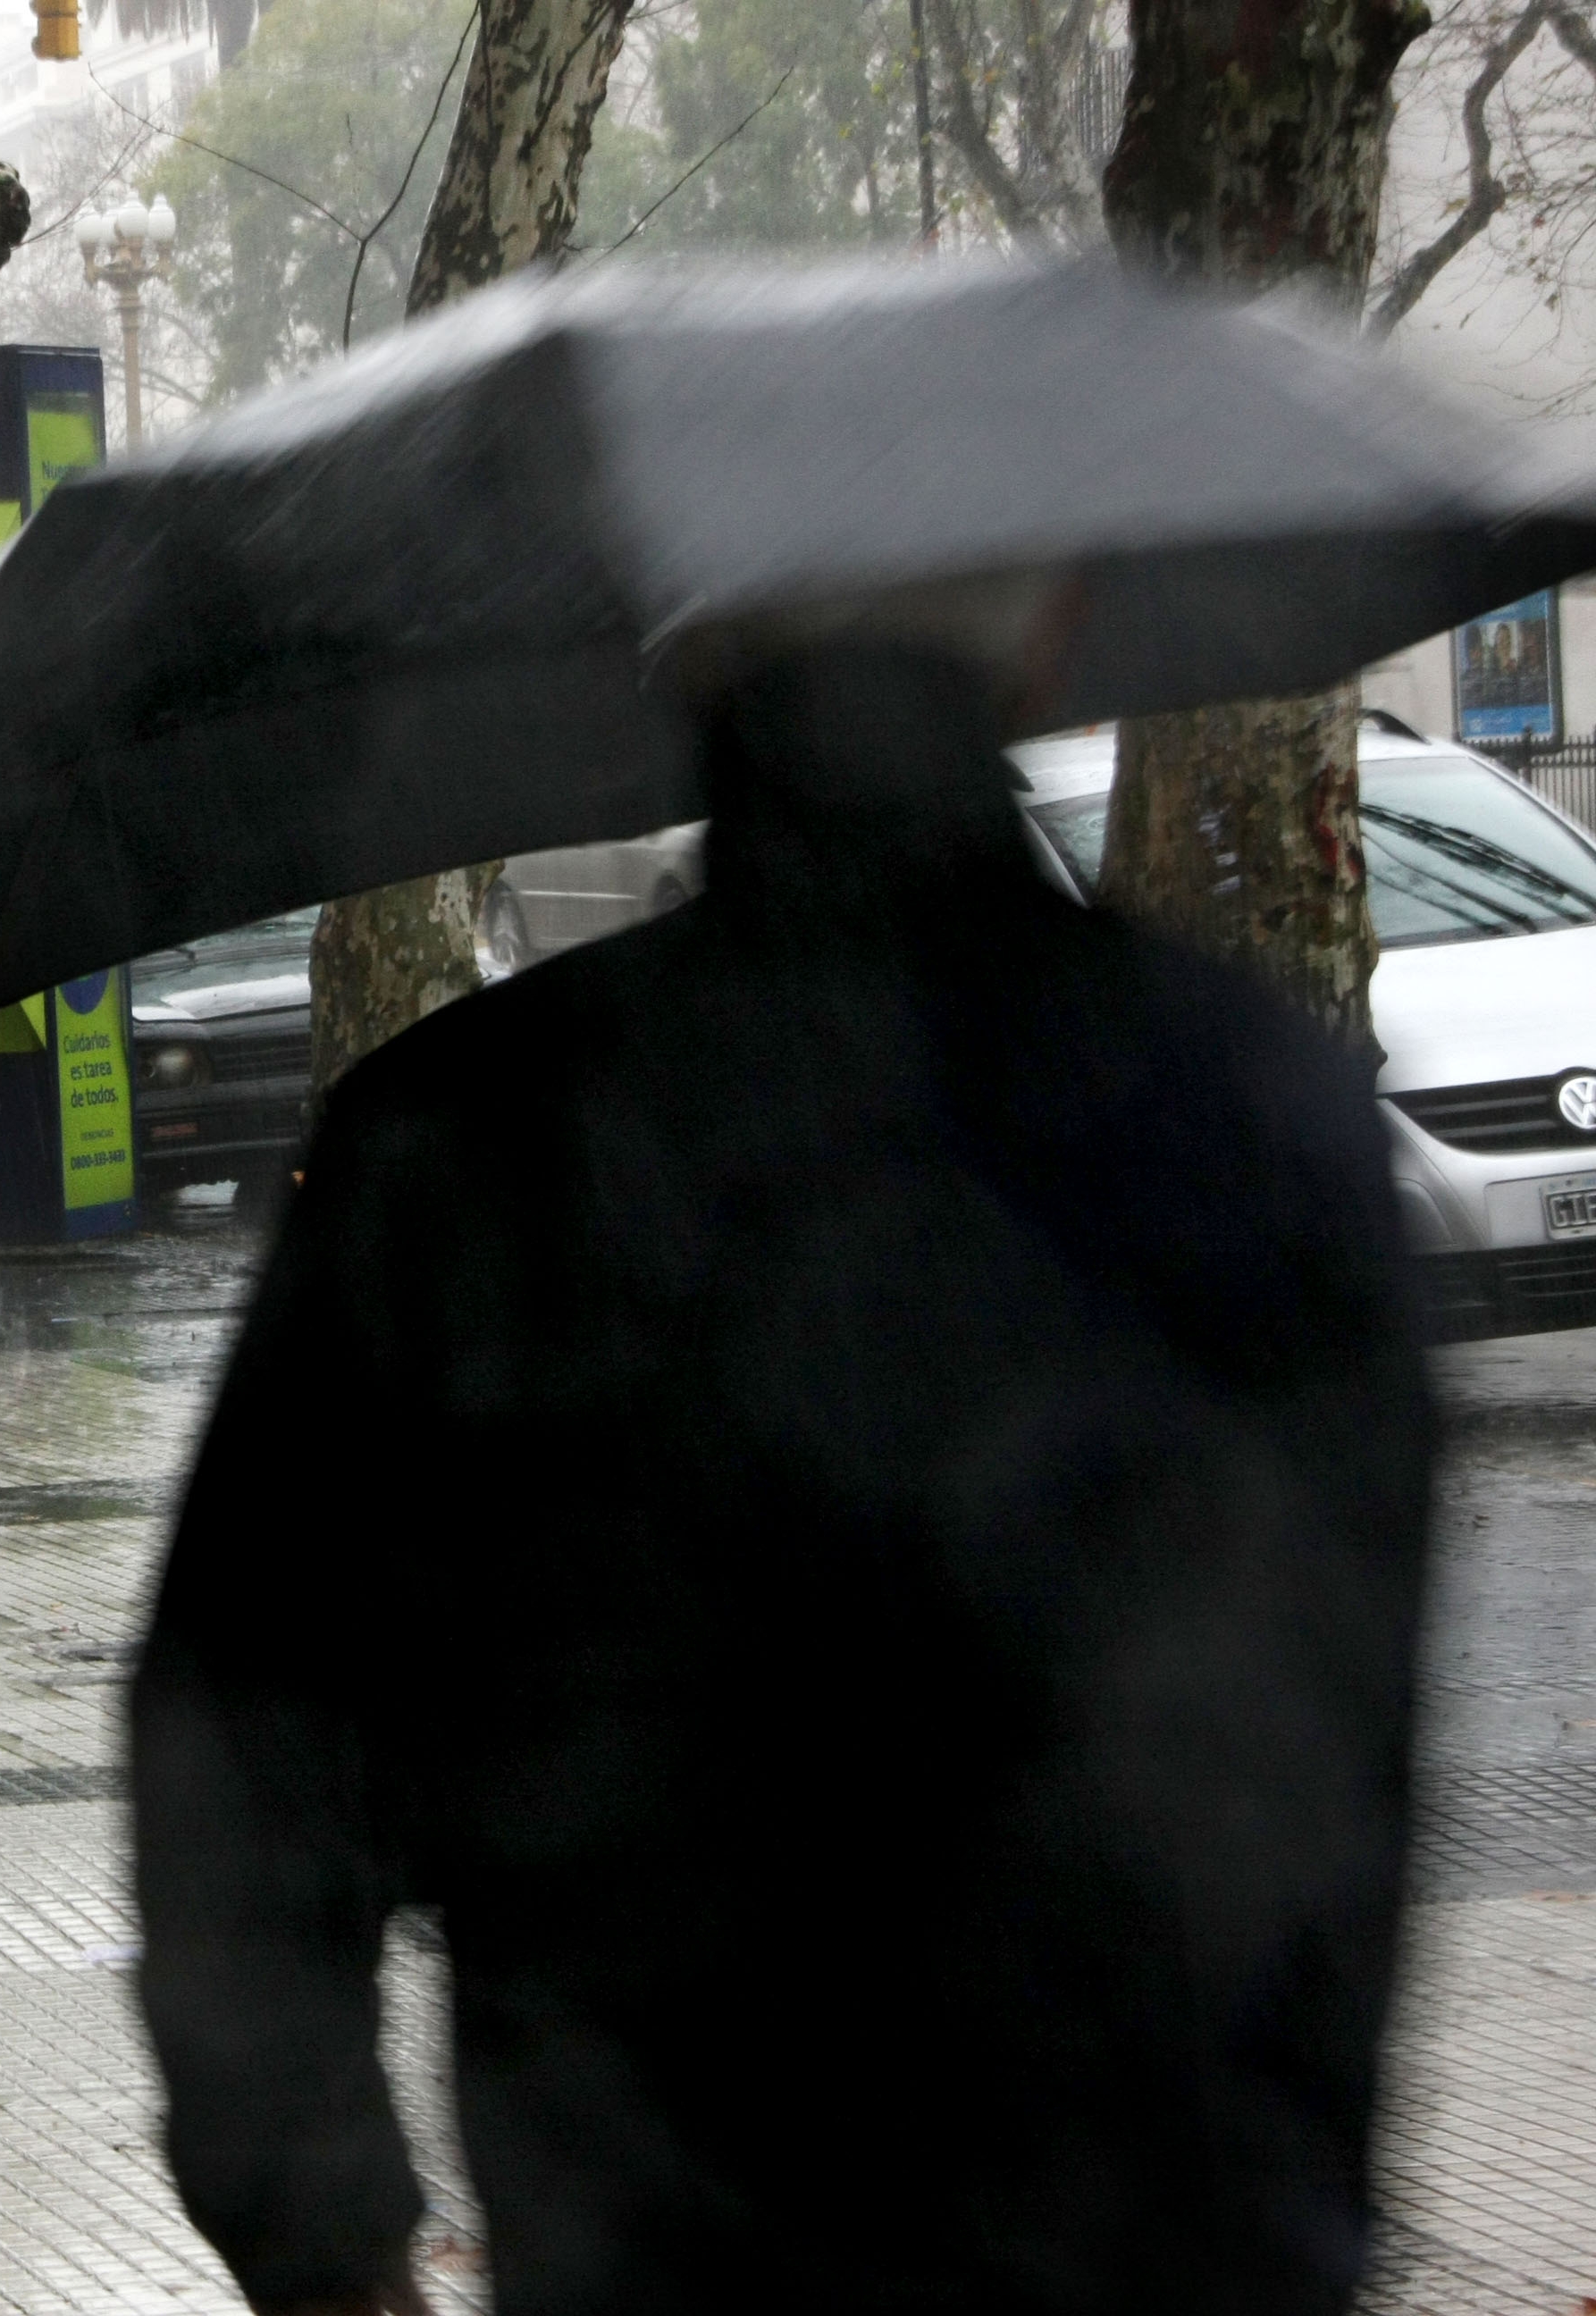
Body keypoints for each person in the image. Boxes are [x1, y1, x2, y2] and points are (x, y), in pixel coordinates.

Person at [133, 639, 1431, 2316]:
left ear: (675, 664)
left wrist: (316, 2233)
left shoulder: (466, 1141)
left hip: (647, 2230)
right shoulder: (1252, 1118)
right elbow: (1343, 1773)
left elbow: (247, 1733)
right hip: (1148, 2232)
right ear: (1037, 638)